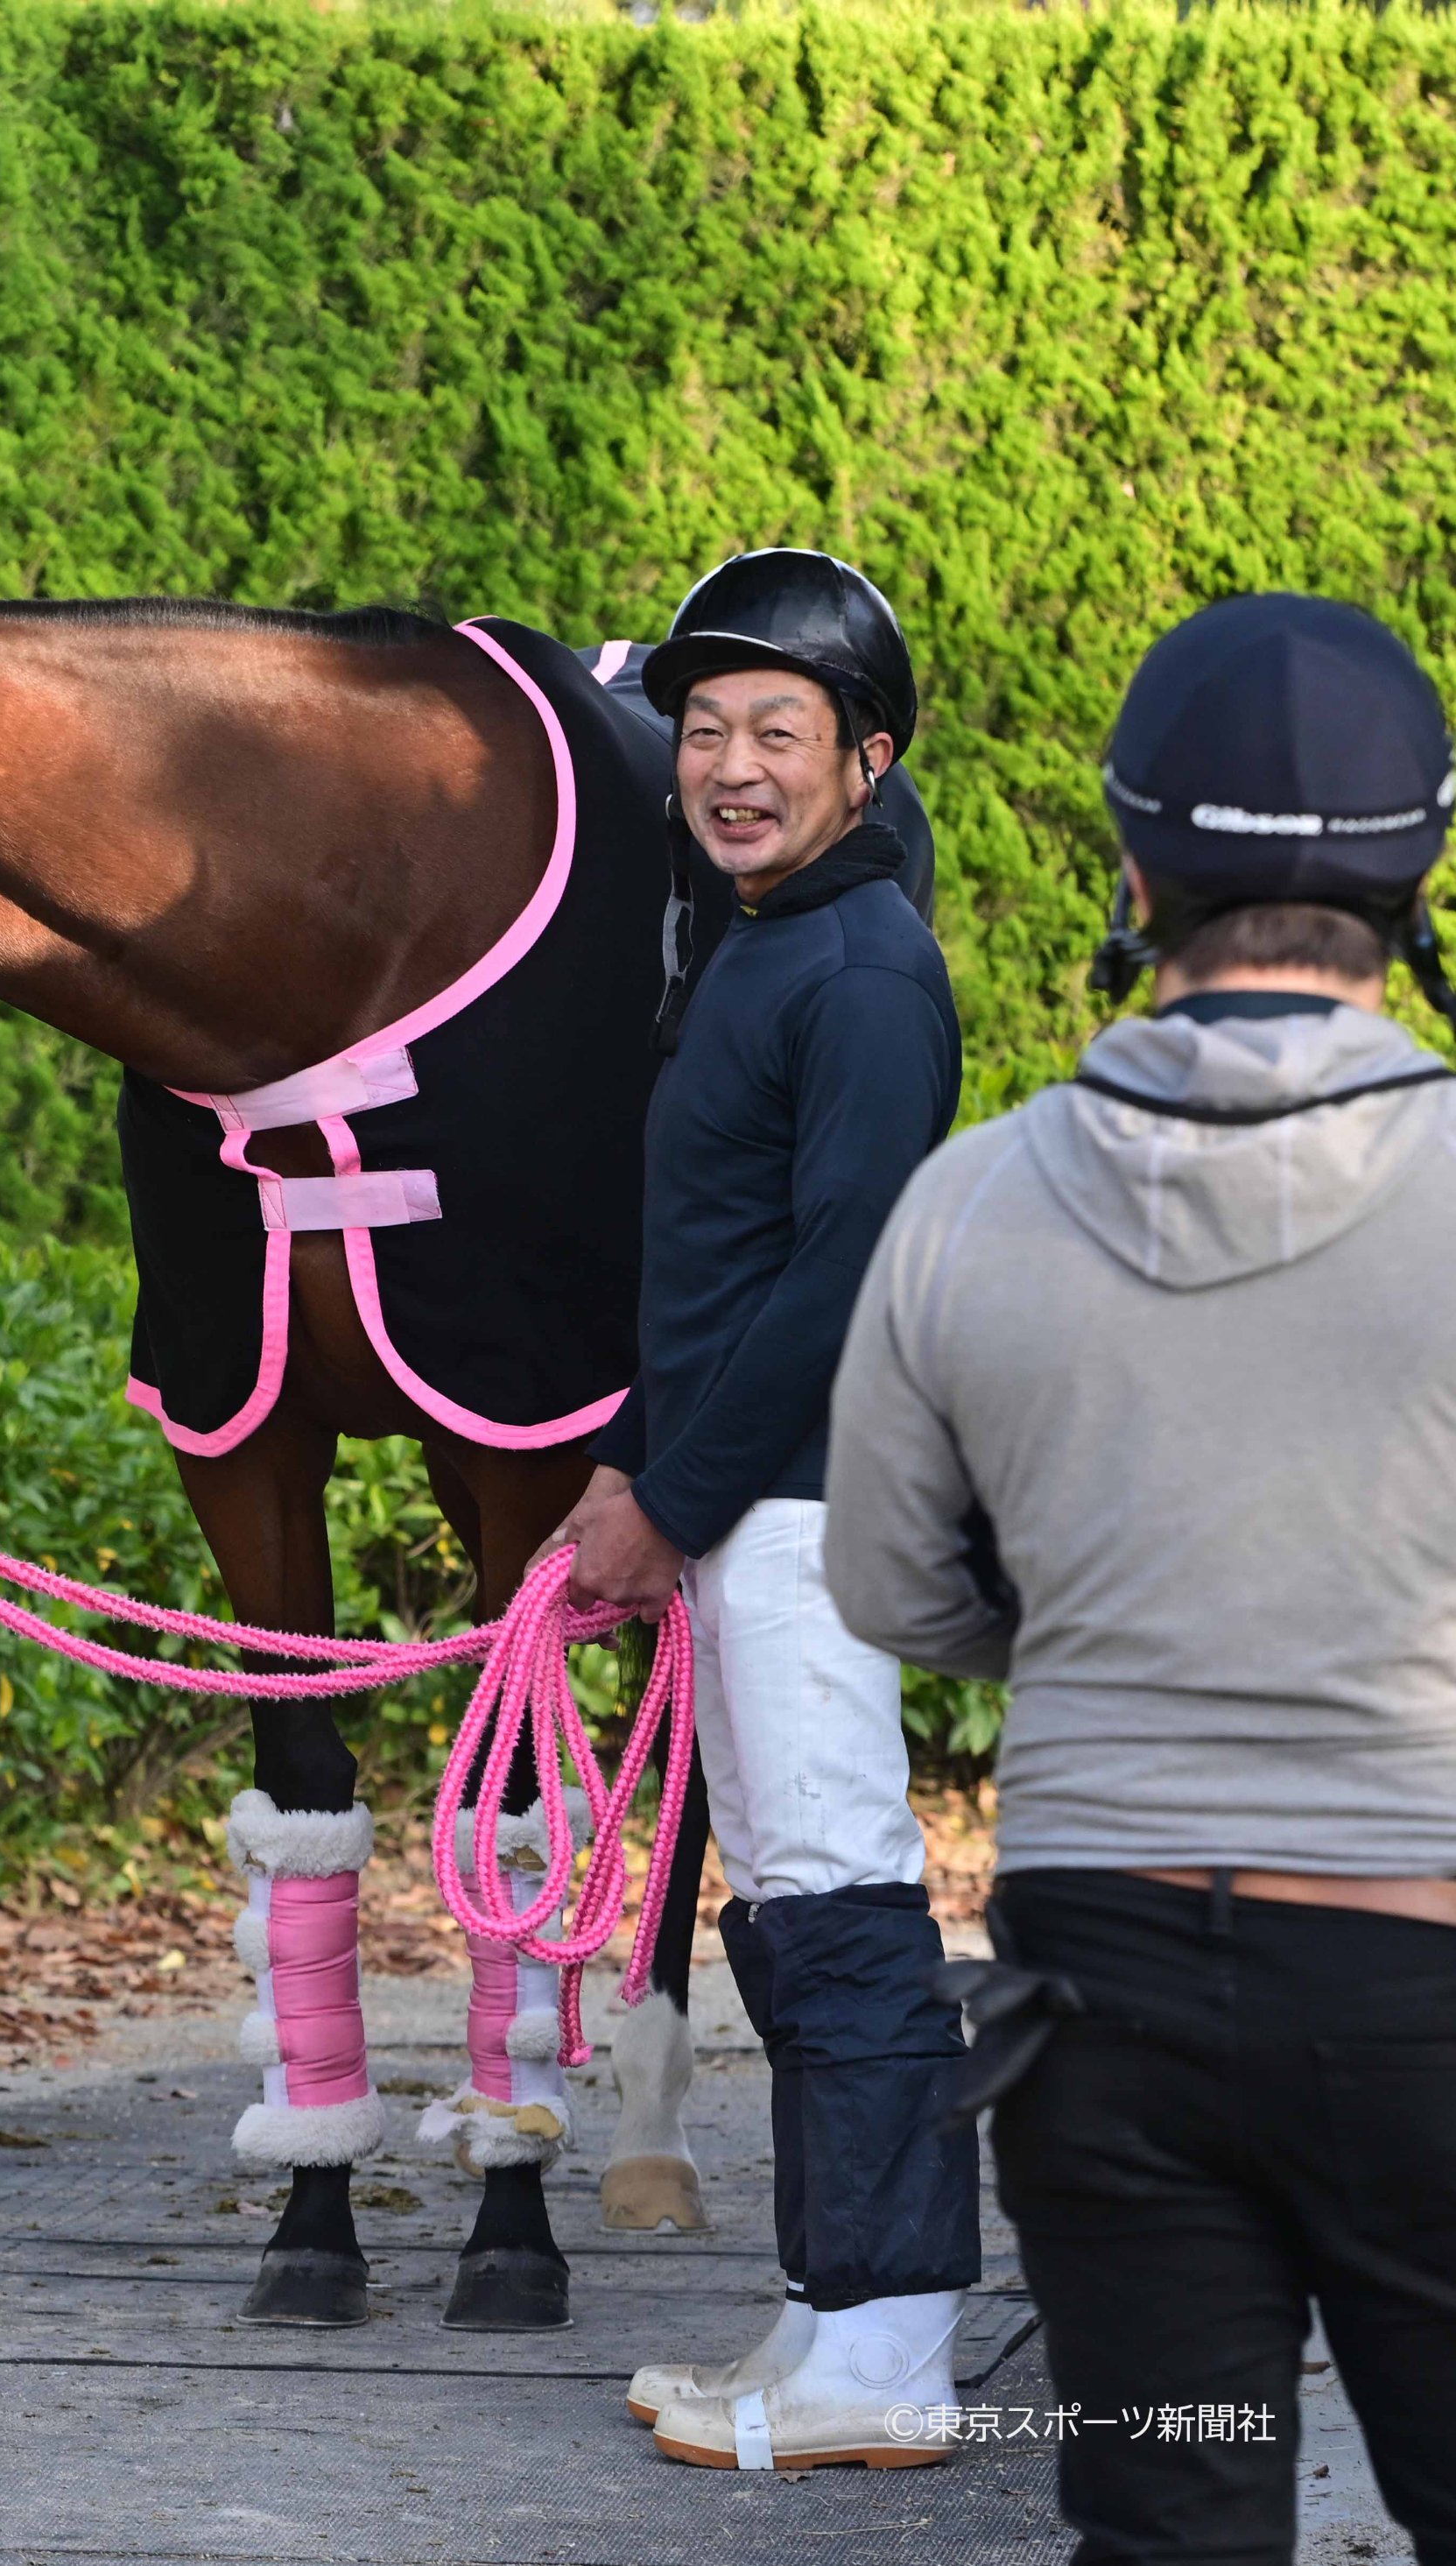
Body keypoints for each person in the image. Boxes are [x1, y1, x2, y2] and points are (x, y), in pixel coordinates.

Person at [826, 593, 1456, 2563]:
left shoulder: (966, 1201)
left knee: (1164, 2511)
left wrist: (1109, 1601)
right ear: (1417, 871)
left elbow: (890, 1588)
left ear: (1127, 869)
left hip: (1099, 2027)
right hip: (1423, 1994)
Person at [541, 548, 981, 2470]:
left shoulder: (863, 968)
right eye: (702, 729)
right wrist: (632, 1463)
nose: (727, 763)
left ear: (862, 761)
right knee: (789, 1913)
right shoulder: (756, 937)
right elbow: (710, 1267)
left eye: (773, 733)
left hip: (805, 1508)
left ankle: (887, 2361)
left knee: (842, 1909)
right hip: (738, 1498)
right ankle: (830, 2318)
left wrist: (675, 1495)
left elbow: (836, 1281)